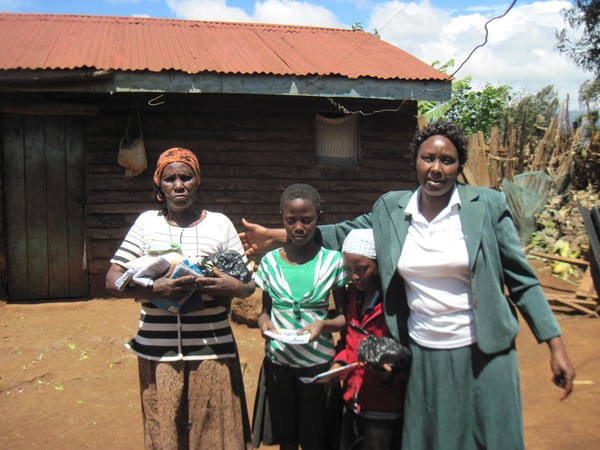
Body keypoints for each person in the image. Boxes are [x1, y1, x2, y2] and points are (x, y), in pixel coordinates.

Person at [240, 121, 576, 450]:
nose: (437, 168)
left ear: (459, 165)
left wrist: (555, 346)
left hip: (484, 352)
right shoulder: (392, 209)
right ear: (415, 160)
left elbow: (523, 281)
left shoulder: (486, 206)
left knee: (488, 437)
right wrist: (275, 236)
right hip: (421, 350)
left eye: (447, 160)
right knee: (432, 439)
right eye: (428, 158)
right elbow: (341, 232)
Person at [105, 147, 254, 450]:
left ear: (197, 181)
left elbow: (248, 285)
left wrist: (228, 286)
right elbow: (112, 279)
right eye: (170, 178)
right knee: (166, 432)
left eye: (186, 177)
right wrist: (153, 290)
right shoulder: (147, 223)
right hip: (158, 351)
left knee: (216, 432)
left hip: (212, 347)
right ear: (159, 185)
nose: (179, 184)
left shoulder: (220, 224)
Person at [251, 183, 348, 450]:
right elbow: (265, 311)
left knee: (316, 435)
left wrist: (324, 324)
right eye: (291, 220)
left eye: (307, 220)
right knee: (287, 436)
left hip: (317, 366)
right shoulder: (270, 262)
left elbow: (343, 317)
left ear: (319, 217)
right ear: (281, 218)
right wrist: (264, 324)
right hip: (279, 361)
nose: (298, 227)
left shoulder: (333, 261)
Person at [333, 228, 406, 450]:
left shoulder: (394, 305)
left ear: (379, 265)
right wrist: (339, 363)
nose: (354, 276)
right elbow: (348, 341)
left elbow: (405, 352)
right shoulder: (353, 297)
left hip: (383, 404)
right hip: (352, 398)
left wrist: (390, 372)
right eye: (348, 269)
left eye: (362, 269)